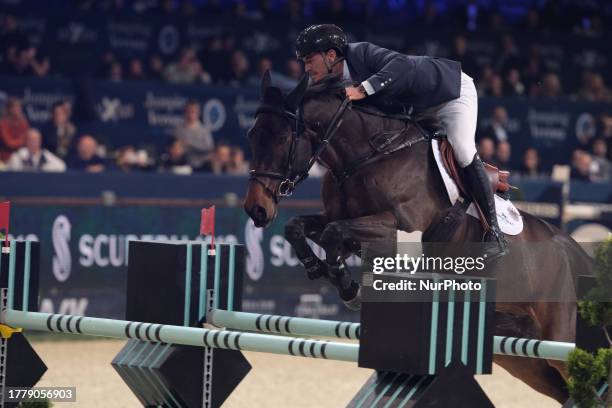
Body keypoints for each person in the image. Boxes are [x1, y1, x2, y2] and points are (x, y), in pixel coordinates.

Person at [295, 24, 507, 259]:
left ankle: (493, 232)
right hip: (417, 110)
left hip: (450, 94)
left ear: (331, 55)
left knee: (463, 150)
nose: (306, 68)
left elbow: (402, 65)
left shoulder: (360, 53)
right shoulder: (330, 84)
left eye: (308, 60)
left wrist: (363, 89)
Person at [173, 100, 215, 170]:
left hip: (202, 166)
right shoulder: (178, 130)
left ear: (198, 113)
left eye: (193, 112)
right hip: (183, 166)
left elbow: (209, 148)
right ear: (184, 112)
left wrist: (190, 145)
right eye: (188, 111)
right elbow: (174, 149)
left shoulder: (204, 130)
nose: (190, 114)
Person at [0, 97, 29, 162]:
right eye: (15, 107)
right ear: (9, 109)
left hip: (21, 154)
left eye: (19, 107)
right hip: (6, 155)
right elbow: (9, 143)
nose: (17, 110)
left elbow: (26, 140)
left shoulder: (23, 122)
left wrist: (22, 142)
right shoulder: (2, 123)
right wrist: (21, 142)